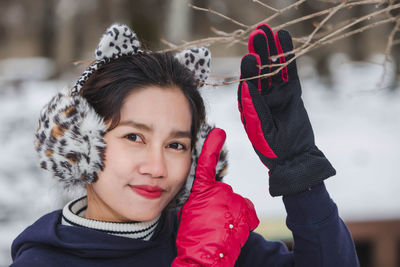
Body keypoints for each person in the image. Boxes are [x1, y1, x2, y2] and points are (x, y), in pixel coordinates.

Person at [10, 23, 359, 267]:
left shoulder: (212, 240)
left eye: (176, 145)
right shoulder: (44, 261)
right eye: (134, 137)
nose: (157, 168)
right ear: (79, 142)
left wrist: (300, 172)